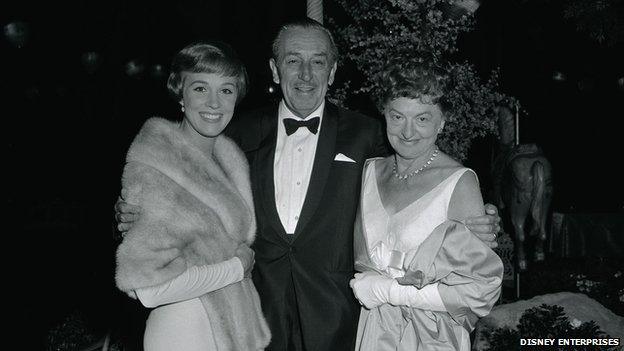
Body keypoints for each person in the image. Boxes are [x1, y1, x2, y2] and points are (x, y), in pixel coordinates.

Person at [117, 18, 501, 351]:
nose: (305, 75)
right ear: (274, 68)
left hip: (341, 317)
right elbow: (180, 178)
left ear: (332, 72)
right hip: (255, 314)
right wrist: (129, 210)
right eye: (292, 61)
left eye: (318, 62)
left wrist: (478, 216)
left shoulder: (369, 134)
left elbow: (421, 165)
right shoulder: (235, 133)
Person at [114, 42, 271, 351]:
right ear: (180, 93)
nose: (214, 102)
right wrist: (235, 269)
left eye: (226, 90)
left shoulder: (230, 162)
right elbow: (150, 288)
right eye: (201, 88)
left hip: (229, 334)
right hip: (183, 334)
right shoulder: (154, 168)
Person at [349, 61, 503, 350]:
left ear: (442, 121)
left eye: (422, 119)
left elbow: (480, 290)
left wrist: (390, 292)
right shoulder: (370, 172)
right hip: (374, 332)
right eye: (397, 117)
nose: (407, 132)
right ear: (384, 113)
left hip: (432, 336)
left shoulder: (459, 181)